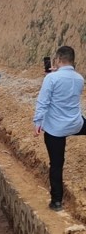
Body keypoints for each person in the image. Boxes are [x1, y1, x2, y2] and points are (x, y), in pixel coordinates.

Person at [33, 46, 86, 212]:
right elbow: (68, 81)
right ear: (72, 59)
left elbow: (43, 101)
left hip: (56, 129)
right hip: (76, 124)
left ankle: (56, 202)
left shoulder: (51, 79)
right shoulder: (79, 78)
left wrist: (38, 121)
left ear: (58, 59)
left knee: (56, 165)